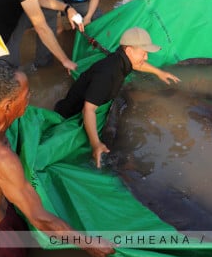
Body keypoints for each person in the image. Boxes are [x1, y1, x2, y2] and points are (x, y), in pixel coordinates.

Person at [0, 60, 114, 257]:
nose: (30, 98)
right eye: (26, 94)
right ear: (7, 105)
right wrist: (87, 243)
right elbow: (40, 218)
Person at [54, 27, 180, 168]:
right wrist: (95, 144)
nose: (146, 58)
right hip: (71, 117)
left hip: (91, 104)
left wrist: (159, 73)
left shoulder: (120, 59)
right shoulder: (108, 74)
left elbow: (139, 65)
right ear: (129, 51)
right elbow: (88, 110)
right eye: (144, 53)